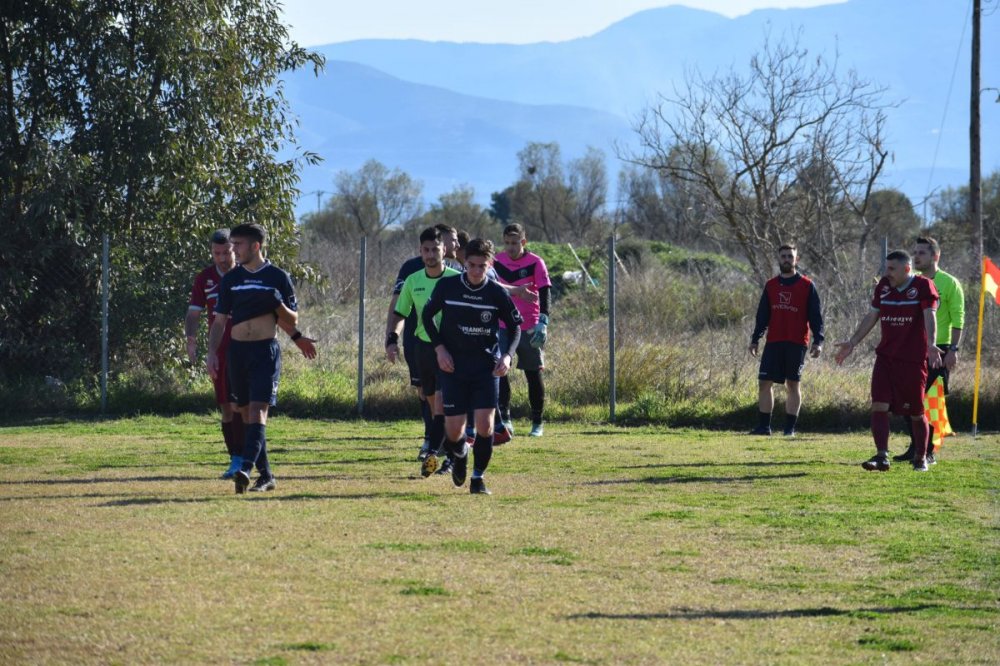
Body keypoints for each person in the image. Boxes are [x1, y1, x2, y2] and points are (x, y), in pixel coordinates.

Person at [207, 223, 305, 493]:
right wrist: (212, 353)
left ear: (255, 246)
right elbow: (219, 322)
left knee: (258, 411)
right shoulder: (231, 280)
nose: (233, 249)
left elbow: (292, 318)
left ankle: (246, 468)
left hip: (264, 352)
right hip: (236, 353)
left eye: (238, 245)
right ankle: (267, 476)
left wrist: (278, 302)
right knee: (243, 413)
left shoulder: (277, 277)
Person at [422, 239, 523, 495]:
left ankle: (478, 479)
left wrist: (508, 356)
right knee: (454, 431)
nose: (476, 271)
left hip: (485, 368)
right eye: (472, 265)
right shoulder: (448, 286)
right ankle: (460, 452)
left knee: (485, 426)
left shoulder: (496, 293)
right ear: (464, 262)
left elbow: (515, 328)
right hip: (453, 367)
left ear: (489, 265)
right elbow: (426, 316)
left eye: (482, 266)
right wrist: (439, 348)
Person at [835, 250, 942, 472]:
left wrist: (932, 344)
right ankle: (882, 456)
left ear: (907, 269)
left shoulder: (923, 286)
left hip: (912, 360)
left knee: (915, 411)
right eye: (886, 268)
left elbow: (929, 315)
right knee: (878, 405)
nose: (887, 273)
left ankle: (921, 458)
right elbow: (872, 315)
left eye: (892, 269)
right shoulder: (884, 285)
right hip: (885, 358)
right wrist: (852, 342)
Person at [386, 227, 461, 477]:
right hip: (423, 348)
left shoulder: (455, 278)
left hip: (450, 349)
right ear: (421, 251)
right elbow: (400, 313)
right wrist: (392, 339)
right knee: (431, 403)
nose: (431, 254)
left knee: (443, 405)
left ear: (444, 250)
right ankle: (449, 448)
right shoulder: (413, 280)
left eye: (435, 249)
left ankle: (448, 457)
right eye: (426, 250)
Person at [455, 230, 538, 446]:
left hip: (485, 343)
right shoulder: (455, 276)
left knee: (479, 387)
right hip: (466, 343)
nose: (475, 269)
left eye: (452, 244)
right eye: (471, 265)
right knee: (479, 390)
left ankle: (476, 434)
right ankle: (496, 429)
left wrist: (515, 292)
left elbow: (495, 289)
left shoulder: (483, 274)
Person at [894, 236, 964, 465]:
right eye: (915, 252)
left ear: (935, 256)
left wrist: (953, 349)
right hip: (913, 349)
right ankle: (917, 447)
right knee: (908, 400)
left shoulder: (949, 283)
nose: (916, 256)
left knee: (930, 402)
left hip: (940, 349)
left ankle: (928, 451)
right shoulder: (911, 282)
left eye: (922, 253)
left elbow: (958, 318)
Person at [748, 244, 824, 436]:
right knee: (764, 382)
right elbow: (762, 315)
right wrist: (755, 339)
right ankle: (764, 427)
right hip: (774, 341)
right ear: (778, 259)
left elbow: (816, 317)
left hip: (796, 342)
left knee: (793, 384)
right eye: (783, 256)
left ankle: (789, 429)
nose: (786, 259)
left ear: (796, 260)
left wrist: (818, 341)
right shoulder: (771, 285)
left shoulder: (807, 285)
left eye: (790, 256)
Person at [186, 230, 243, 478]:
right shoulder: (205, 278)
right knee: (227, 407)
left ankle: (249, 458)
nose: (221, 258)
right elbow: (193, 313)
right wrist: (191, 340)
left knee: (245, 406)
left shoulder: (245, 274)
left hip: (246, 347)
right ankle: (235, 460)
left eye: (226, 252)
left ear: (235, 250)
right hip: (218, 350)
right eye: (216, 253)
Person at [493, 223, 551, 437]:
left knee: (533, 374)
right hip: (501, 324)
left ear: (523, 242)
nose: (510, 247)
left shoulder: (536, 262)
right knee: (500, 371)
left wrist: (543, 321)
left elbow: (545, 292)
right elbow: (490, 286)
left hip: (529, 325)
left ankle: (537, 423)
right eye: (507, 242)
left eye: (515, 243)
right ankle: (505, 420)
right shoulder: (496, 261)